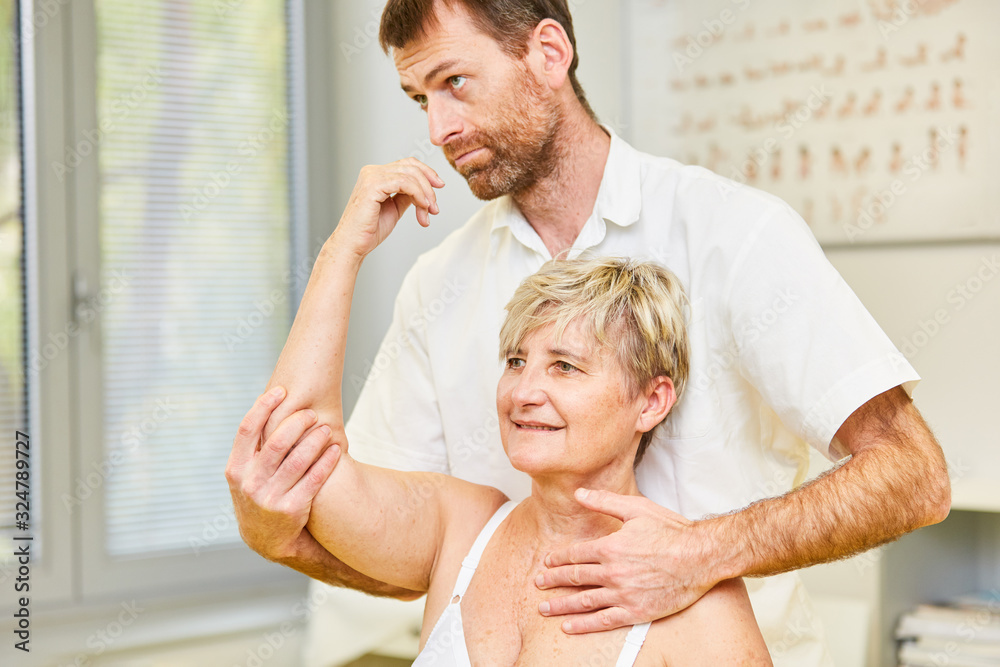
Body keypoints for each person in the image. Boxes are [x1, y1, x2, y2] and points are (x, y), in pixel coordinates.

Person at [225, 1, 951, 663]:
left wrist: (700, 553)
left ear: (549, 53)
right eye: (421, 99)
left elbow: (913, 475)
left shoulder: (736, 234)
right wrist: (278, 535)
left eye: (454, 83)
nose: (438, 129)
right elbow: (388, 543)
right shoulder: (437, 285)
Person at [234, 252, 773, 664]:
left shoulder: (696, 597)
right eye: (516, 361)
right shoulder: (459, 526)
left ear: (651, 402)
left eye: (565, 366)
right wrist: (345, 249)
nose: (522, 392)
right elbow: (294, 452)